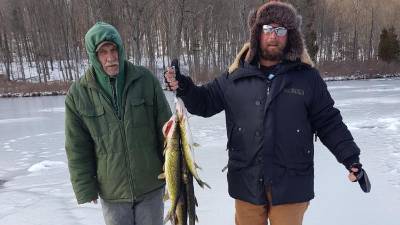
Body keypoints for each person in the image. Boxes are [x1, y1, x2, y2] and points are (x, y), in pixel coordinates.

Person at [164, 1, 370, 225]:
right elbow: (204, 102)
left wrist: (351, 159)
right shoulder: (235, 76)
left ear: (290, 36)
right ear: (256, 33)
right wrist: (182, 86)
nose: (274, 36)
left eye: (281, 30)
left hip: (292, 185)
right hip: (246, 183)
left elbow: (329, 122)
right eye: (268, 29)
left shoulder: (307, 78)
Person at [65, 22, 172, 225]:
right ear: (94, 57)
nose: (111, 57)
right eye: (103, 52)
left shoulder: (145, 80)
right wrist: (85, 187)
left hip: (150, 185)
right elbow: (77, 146)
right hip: (112, 192)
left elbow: (168, 132)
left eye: (114, 50)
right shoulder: (78, 94)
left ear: (120, 49)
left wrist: (176, 173)